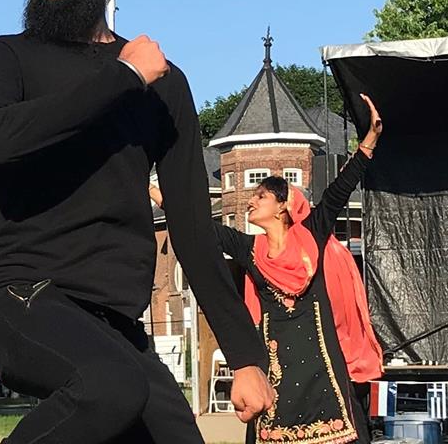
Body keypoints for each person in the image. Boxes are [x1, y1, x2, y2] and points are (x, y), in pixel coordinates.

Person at [0, 0, 272, 443]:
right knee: (109, 386)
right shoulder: (5, 57)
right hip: (21, 298)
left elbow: (191, 227)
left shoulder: (165, 85)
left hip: (114, 326)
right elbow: (4, 141)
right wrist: (122, 77)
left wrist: (244, 355)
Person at [154, 96, 382, 444]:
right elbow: (202, 228)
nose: (250, 201)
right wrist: (162, 197)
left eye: (260, 197)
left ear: (281, 207)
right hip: (277, 368)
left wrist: (368, 142)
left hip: (321, 369)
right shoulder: (251, 249)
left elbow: (339, 191)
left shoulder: (312, 236)